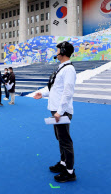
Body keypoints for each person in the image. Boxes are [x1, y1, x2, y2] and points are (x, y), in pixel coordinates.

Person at [33, 41, 77, 183]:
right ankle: (63, 163)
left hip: (61, 112)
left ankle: (70, 172)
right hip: (56, 110)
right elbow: (54, 88)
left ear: (63, 51)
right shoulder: (61, 68)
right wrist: (42, 93)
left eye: (58, 49)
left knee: (65, 140)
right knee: (60, 139)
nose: (56, 52)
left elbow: (67, 92)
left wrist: (60, 111)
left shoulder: (69, 69)